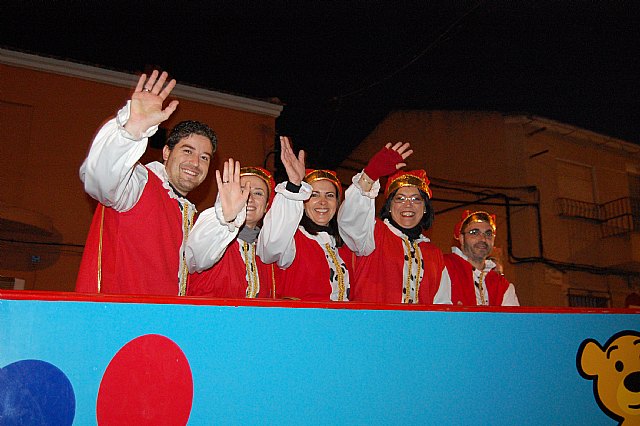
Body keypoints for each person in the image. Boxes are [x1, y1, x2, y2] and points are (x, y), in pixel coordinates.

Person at [76, 70, 218, 296]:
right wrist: (131, 131)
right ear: (166, 152)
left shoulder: (190, 216)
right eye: (187, 151)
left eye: (204, 157)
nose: (195, 162)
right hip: (120, 324)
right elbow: (101, 180)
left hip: (164, 328)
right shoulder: (137, 183)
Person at [338, 142, 451, 304]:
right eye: (400, 198)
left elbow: (442, 306)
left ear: (425, 208)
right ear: (389, 206)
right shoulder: (372, 234)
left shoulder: (435, 254)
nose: (408, 205)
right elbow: (350, 221)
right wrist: (370, 175)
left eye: (416, 199)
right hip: (373, 327)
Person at [257, 136, 353, 301]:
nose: (323, 202)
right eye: (314, 195)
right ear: (302, 201)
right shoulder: (292, 238)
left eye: (329, 196)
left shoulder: (343, 244)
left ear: (337, 203)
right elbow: (270, 249)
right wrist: (294, 186)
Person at [185, 160, 276, 298]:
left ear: (266, 206)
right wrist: (225, 218)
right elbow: (198, 254)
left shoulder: (266, 253)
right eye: (241, 190)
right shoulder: (214, 234)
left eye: (258, 193)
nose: (248, 198)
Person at [443, 210, 520, 306]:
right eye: (474, 233)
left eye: (488, 234)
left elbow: (512, 320)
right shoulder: (443, 267)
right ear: (462, 238)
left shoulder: (502, 286)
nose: (483, 239)